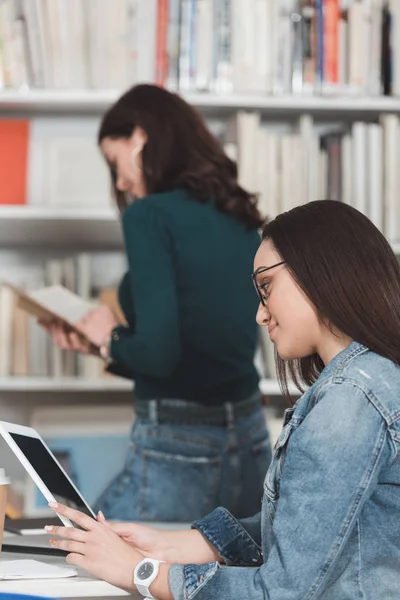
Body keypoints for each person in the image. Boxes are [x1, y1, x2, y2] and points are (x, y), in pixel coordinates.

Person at [47, 199, 400, 599]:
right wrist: (172, 546)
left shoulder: (349, 401)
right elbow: (305, 532)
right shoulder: (369, 380)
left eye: (265, 287)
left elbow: (279, 592)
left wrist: (141, 573)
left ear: (322, 270)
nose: (260, 315)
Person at [42, 84, 271, 522]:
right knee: (230, 576)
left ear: (140, 137)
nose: (122, 183)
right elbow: (205, 349)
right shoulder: (236, 211)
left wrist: (109, 333)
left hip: (178, 445)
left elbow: (161, 355)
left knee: (89, 555)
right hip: (249, 437)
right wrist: (105, 346)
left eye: (115, 164)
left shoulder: (148, 216)